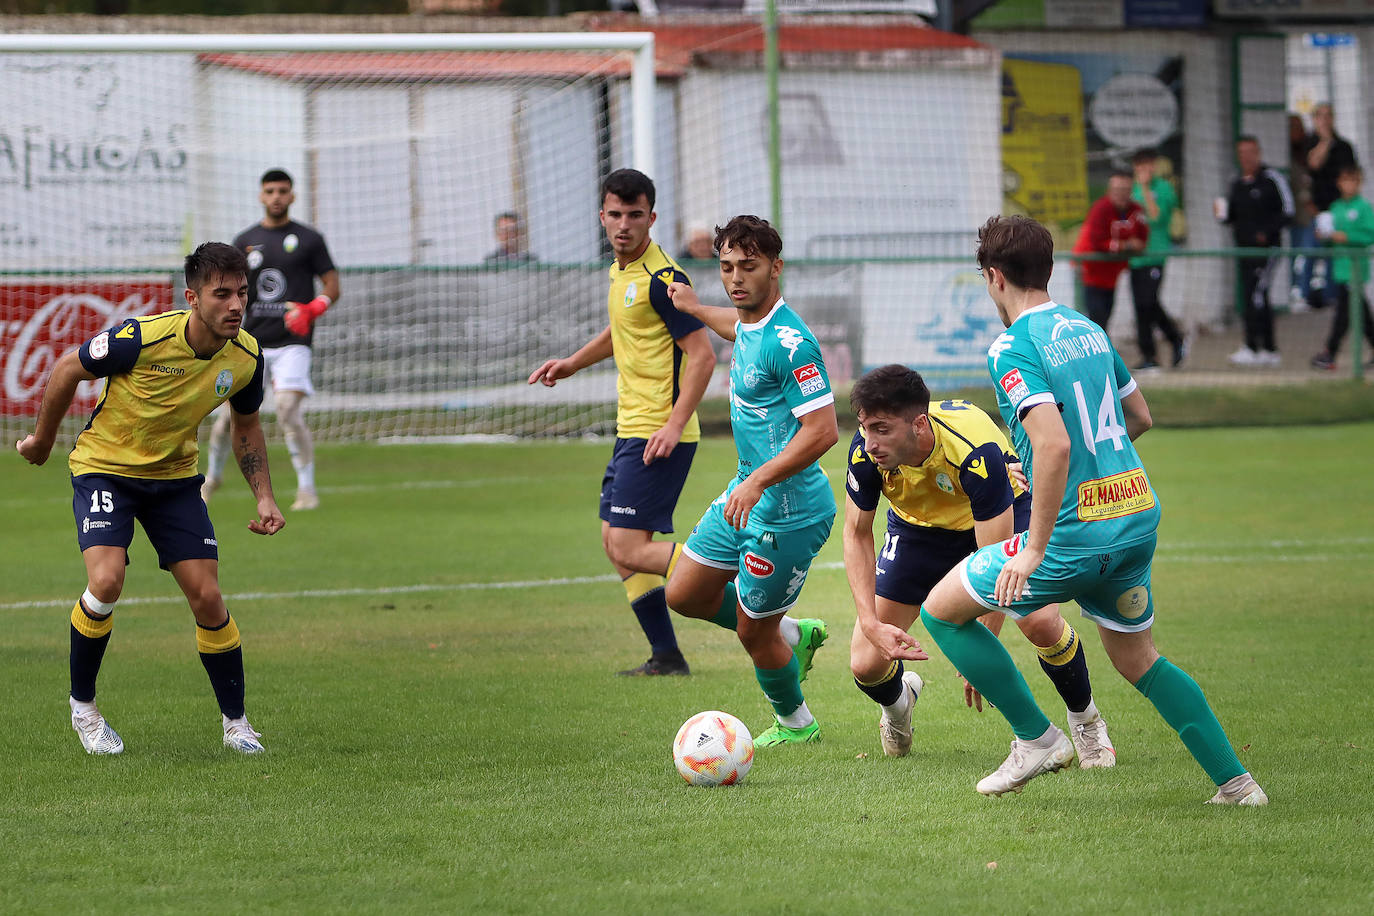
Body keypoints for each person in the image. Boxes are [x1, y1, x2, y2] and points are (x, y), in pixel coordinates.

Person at [906, 215, 1266, 805]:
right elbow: (1139, 418)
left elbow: (1053, 443)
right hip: (1135, 517)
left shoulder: (1012, 346)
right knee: (1139, 658)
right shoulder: (1090, 330)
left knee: (942, 612)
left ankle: (1037, 739)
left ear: (994, 277)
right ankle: (1238, 783)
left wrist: (1039, 546)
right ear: (1048, 270)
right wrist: (1086, 472)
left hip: (1074, 539)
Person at [15, 242, 285, 756]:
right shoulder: (140, 339)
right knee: (107, 579)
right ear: (192, 297)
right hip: (105, 470)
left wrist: (265, 497)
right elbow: (68, 369)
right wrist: (43, 442)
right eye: (221, 294)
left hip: (174, 480)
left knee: (208, 597)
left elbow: (247, 426)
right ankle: (85, 711)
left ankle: (237, 724)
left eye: (242, 293)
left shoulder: (247, 357)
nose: (235, 305)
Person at [842, 365, 1114, 765]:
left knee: (1038, 621)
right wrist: (869, 622)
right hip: (919, 532)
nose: (870, 442)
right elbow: (855, 533)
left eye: (881, 429)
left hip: (996, 520)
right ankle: (898, 706)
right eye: (865, 428)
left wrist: (980, 655)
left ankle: (1085, 719)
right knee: (865, 663)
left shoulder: (973, 452)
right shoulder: (867, 452)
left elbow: (995, 560)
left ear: (919, 424)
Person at [528, 169, 715, 676]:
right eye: (616, 214)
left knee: (630, 545)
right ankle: (667, 655)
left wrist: (674, 425)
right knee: (618, 547)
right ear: (602, 217)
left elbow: (701, 356)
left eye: (636, 215)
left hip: (658, 431)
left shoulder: (665, 280)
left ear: (652, 218)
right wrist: (571, 363)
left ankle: (749, 592)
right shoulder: (622, 272)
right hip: (631, 427)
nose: (625, 224)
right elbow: (623, 330)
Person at [661, 215, 839, 747]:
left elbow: (824, 429)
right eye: (727, 267)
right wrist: (693, 308)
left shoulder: (792, 342)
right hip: (748, 492)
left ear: (776, 268)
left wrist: (758, 479)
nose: (736, 278)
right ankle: (791, 633)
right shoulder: (750, 325)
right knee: (685, 592)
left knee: (749, 631)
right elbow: (736, 326)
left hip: (788, 510)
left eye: (749, 266)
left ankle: (795, 724)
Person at [202, 168, 340, 511]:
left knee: (288, 411)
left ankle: (306, 490)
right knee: (225, 420)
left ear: (292, 196)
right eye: (270, 191)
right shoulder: (245, 240)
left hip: (293, 342)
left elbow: (333, 285)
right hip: (251, 344)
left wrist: (312, 309)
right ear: (261, 196)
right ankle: (211, 478)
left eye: (282, 190)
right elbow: (226, 289)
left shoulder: (309, 239)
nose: (276, 196)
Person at [1219, 136, 1294, 366]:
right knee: (1250, 296)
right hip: (1244, 251)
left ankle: (1267, 348)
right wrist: (1221, 213)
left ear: (1258, 153)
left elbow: (1288, 211)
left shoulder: (1272, 179)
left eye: (1250, 152)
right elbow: (1231, 216)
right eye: (1242, 153)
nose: (1246, 157)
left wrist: (1266, 232)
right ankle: (1254, 347)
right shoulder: (1236, 183)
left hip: (1267, 251)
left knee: (1257, 296)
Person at [1311, 165, 1374, 370]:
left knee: (1344, 314)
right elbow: (1330, 238)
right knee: (1361, 315)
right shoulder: (1336, 208)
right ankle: (1331, 352)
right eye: (1345, 180)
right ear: (1339, 183)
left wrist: (1346, 237)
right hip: (1340, 268)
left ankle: (1330, 352)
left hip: (1355, 269)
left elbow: (1369, 236)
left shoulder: (1364, 208)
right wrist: (1324, 237)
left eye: (1353, 180)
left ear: (1359, 182)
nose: (1348, 185)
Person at [1129, 150, 1187, 370]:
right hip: (1136, 259)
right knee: (1141, 307)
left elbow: (1155, 217)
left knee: (1148, 301)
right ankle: (1149, 356)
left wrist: (1144, 188)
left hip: (1155, 255)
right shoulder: (1130, 189)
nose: (1145, 170)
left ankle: (1175, 338)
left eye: (1148, 165)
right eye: (1140, 166)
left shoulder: (1163, 188)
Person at [1072, 170, 1148, 330]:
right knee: (1094, 319)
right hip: (1089, 271)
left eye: (1125, 190)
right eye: (1117, 190)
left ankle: (1102, 351)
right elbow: (1097, 242)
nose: (1121, 194)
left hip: (1111, 274)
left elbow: (1142, 239)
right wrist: (1126, 245)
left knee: (1105, 317)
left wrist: (1126, 245)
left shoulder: (1136, 210)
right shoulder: (1100, 209)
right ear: (1110, 190)